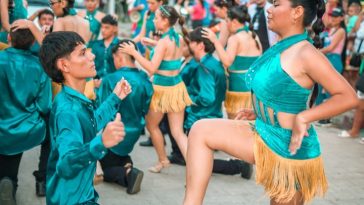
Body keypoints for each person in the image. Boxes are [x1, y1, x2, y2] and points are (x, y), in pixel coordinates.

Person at [183, 0, 358, 205]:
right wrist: (260, 110)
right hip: (265, 131)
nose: (269, 9)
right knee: (201, 130)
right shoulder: (282, 47)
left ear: (297, 12)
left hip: (288, 148)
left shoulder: (305, 52)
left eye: (276, 4)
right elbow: (284, 90)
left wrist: (305, 117)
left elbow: (348, 97)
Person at [39, 31, 131, 205]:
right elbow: (65, 164)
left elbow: (90, 124)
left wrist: (114, 98)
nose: (92, 55)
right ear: (64, 65)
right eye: (82, 53)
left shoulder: (73, 100)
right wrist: (101, 142)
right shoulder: (68, 110)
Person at [120, 5, 192, 173]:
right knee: (178, 132)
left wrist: (134, 52)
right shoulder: (178, 38)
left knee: (152, 125)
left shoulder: (164, 42)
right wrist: (154, 43)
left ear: (165, 21)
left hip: (162, 89)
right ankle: (195, 167)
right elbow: (170, 58)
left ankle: (162, 160)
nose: (153, 20)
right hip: (177, 86)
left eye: (157, 18)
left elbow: (152, 68)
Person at [0, 25, 52, 205]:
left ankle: (8, 183)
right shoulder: (39, 65)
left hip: (3, 124)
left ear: (8, 38)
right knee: (50, 133)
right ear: (32, 42)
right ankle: (42, 181)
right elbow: (45, 105)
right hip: (25, 126)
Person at [98, 39, 153, 194]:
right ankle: (128, 166)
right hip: (134, 131)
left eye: (114, 58)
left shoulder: (110, 79)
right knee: (121, 155)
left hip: (113, 131)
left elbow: (102, 109)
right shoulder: (145, 80)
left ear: (120, 58)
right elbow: (146, 107)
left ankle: (128, 174)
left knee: (106, 169)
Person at [203, 4, 262, 119]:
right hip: (254, 90)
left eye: (227, 21)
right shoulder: (253, 35)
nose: (226, 24)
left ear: (234, 21)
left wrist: (215, 40)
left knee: (236, 127)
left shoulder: (235, 39)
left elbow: (227, 62)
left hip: (238, 91)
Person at [89, 15, 119, 83]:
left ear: (115, 28)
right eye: (102, 27)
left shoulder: (119, 45)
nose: (103, 30)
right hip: (97, 83)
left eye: (106, 27)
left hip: (114, 83)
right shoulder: (96, 45)